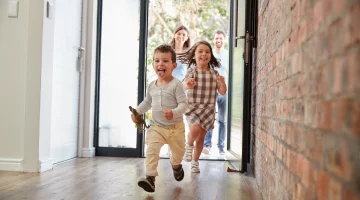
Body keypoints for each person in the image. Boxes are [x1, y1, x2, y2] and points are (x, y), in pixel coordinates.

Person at [131, 44, 188, 192]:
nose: (160, 64)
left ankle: (176, 165)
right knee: (151, 150)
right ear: (153, 65)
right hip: (157, 127)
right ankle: (150, 178)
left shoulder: (177, 85)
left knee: (179, 152)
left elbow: (184, 105)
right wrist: (137, 112)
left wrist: (174, 112)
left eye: (165, 61)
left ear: (174, 65)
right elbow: (147, 102)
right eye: (157, 61)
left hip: (175, 128)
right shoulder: (152, 86)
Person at [180, 40, 227, 173]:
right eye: (200, 51)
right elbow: (183, 85)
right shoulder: (192, 71)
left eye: (207, 52)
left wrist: (222, 83)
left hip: (208, 111)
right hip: (193, 108)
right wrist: (187, 84)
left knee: (201, 140)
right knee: (194, 129)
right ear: (194, 55)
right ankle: (188, 147)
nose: (204, 54)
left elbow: (222, 92)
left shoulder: (214, 74)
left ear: (211, 56)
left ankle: (195, 162)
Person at [202, 30, 229, 155]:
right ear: (214, 40)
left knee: (222, 120)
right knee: (209, 118)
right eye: (217, 38)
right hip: (211, 91)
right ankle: (207, 145)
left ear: (224, 40)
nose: (218, 40)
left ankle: (221, 147)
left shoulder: (228, 55)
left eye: (221, 38)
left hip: (223, 90)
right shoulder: (210, 55)